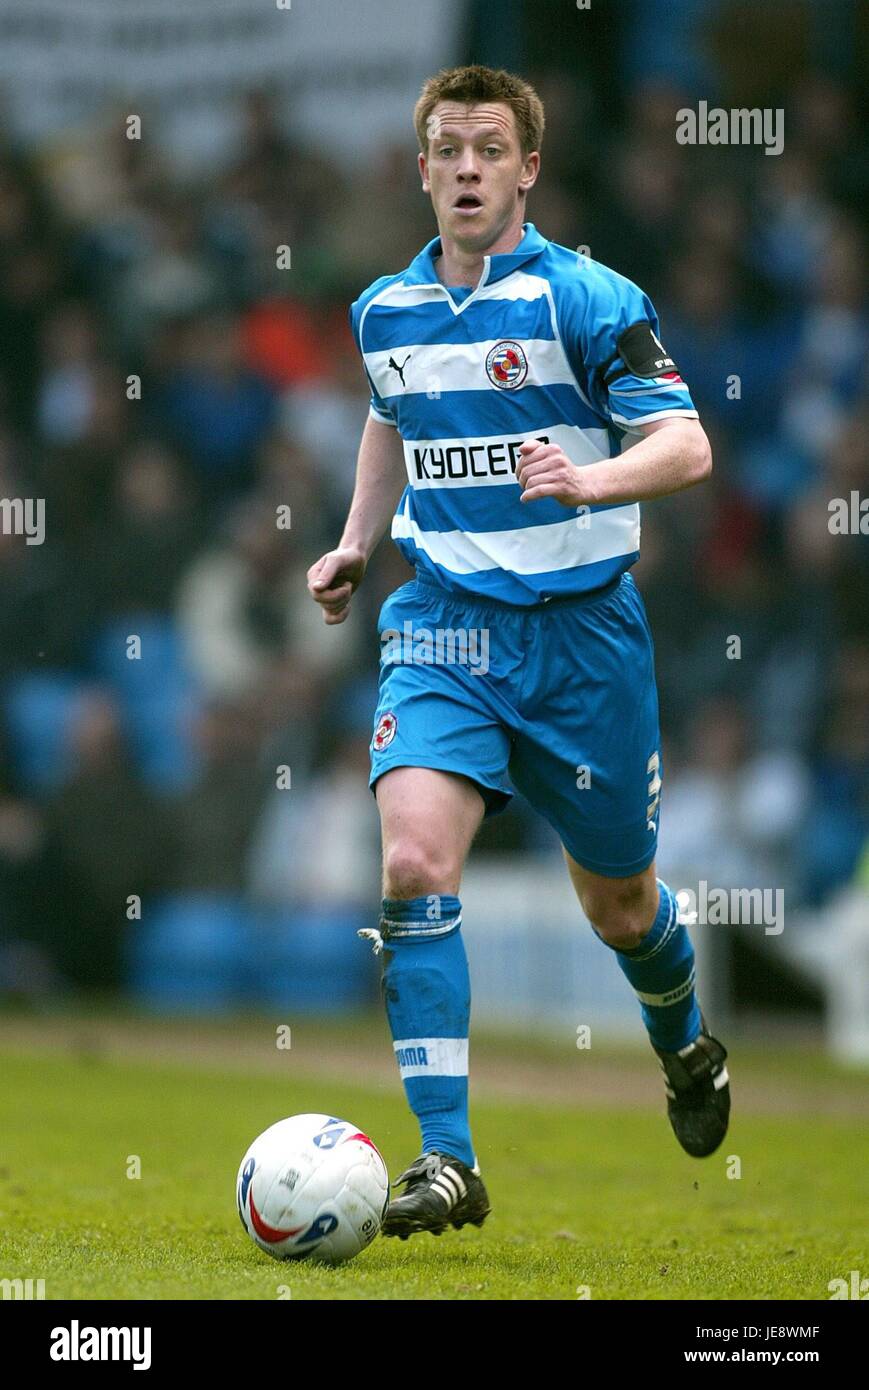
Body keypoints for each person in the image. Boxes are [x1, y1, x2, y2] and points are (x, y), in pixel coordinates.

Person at [307, 65, 729, 1241]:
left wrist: (589, 475)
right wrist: (350, 544)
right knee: (410, 863)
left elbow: (685, 444)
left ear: (527, 169)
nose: (467, 170)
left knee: (618, 902)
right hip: (442, 626)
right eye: (447, 150)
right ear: (423, 167)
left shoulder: (584, 298)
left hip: (584, 642)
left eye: (490, 150)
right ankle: (447, 1160)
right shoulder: (382, 311)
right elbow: (388, 415)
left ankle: (684, 1044)